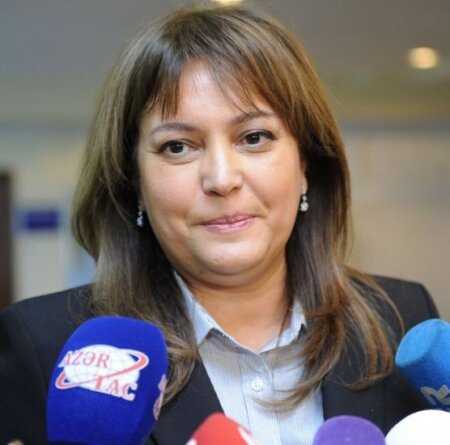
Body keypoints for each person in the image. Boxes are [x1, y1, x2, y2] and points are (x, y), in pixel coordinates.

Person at [0, 3, 439, 445]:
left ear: (305, 164)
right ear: (134, 182)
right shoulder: (45, 347)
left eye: (254, 138)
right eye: (177, 147)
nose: (222, 179)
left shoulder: (401, 320)